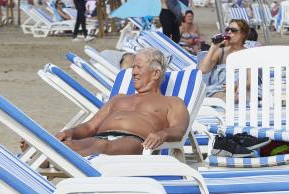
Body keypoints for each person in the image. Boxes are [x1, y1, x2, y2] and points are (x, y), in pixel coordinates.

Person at [55, 48, 189, 156]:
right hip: (100, 138)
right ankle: (57, 153)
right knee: (64, 143)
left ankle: (60, 157)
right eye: (133, 67)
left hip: (134, 141)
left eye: (139, 68)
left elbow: (179, 130)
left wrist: (162, 134)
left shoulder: (172, 102)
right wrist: (69, 132)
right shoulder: (118, 98)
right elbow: (90, 127)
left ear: (156, 73)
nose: (133, 72)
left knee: (100, 146)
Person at [199, 18, 250, 98]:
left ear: (243, 34)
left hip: (240, 90)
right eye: (227, 29)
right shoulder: (221, 52)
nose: (229, 32)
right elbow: (203, 69)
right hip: (218, 91)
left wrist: (236, 86)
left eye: (233, 30)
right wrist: (213, 47)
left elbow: (251, 80)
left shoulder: (248, 54)